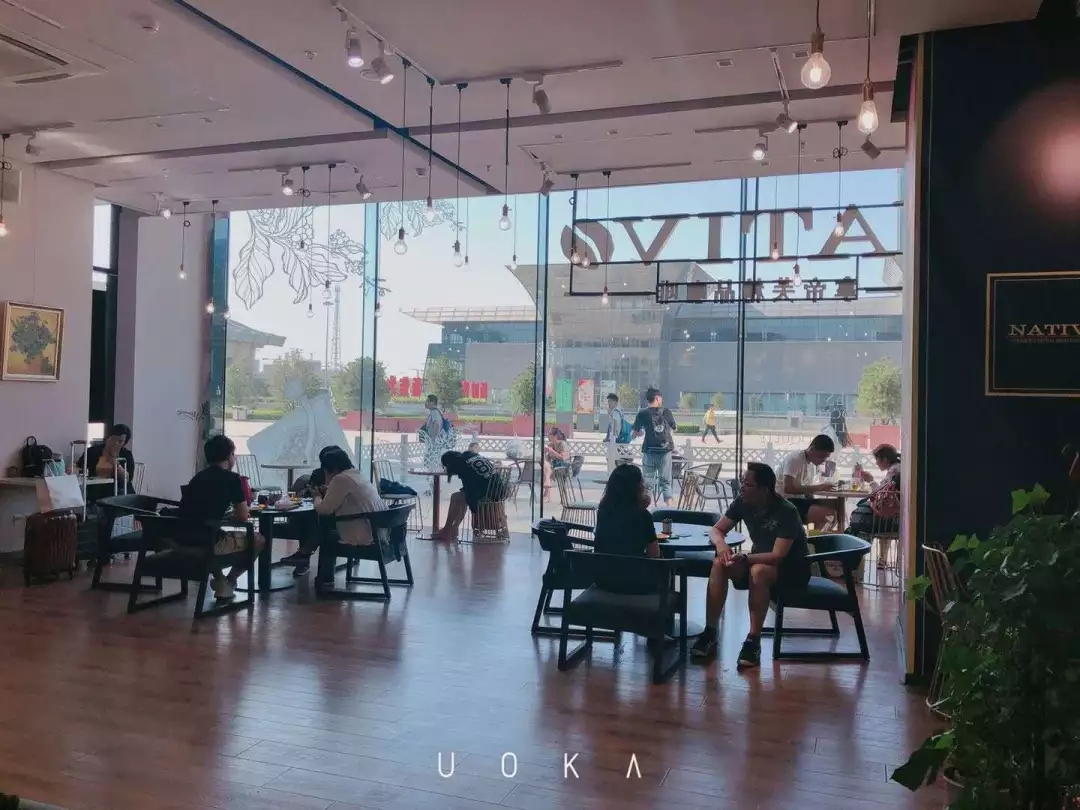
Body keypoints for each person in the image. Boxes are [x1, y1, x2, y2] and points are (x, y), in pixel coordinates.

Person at [691, 462, 810, 669]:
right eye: (742, 482)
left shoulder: (786, 511)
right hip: (757, 561)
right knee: (720, 563)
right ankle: (710, 632)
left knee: (759, 571)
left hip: (792, 570)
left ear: (764, 489)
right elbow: (717, 530)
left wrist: (745, 558)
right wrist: (721, 545)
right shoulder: (743, 501)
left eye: (747, 484)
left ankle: (753, 640)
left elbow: (777, 556)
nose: (742, 488)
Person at [178, 435, 266, 600]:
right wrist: (232, 516)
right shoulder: (232, 479)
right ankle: (230, 580)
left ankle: (220, 581)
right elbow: (243, 517)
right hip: (209, 541)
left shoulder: (198, 477)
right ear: (229, 456)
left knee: (215, 532)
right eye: (234, 454)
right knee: (258, 540)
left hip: (182, 537)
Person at [592, 464, 660, 593]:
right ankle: (662, 603)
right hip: (635, 583)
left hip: (604, 581)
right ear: (638, 487)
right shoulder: (643, 516)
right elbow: (654, 554)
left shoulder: (604, 512)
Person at [278, 445, 343, 575]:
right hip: (319, 510)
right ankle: (303, 558)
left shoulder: (343, 478)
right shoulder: (318, 474)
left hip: (339, 517)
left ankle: (303, 556)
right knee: (308, 519)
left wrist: (322, 494)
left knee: (317, 522)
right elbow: (309, 493)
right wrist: (312, 493)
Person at [313, 448, 388, 549]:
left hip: (363, 537)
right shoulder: (357, 474)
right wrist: (330, 490)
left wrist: (317, 496)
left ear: (333, 469)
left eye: (325, 471)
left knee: (321, 531)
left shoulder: (340, 479)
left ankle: (304, 553)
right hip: (378, 533)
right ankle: (304, 553)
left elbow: (324, 510)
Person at [432, 450, 504, 542]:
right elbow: (472, 486)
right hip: (498, 490)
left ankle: (447, 529)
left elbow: (470, 491)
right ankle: (453, 529)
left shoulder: (463, 465)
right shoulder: (471, 456)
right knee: (461, 497)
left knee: (456, 497)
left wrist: (473, 507)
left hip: (489, 494)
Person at [847, 444, 902, 567]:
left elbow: (881, 496)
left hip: (892, 520)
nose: (876, 463)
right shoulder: (898, 468)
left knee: (859, 524)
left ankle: (854, 562)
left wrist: (871, 480)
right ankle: (879, 560)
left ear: (885, 459)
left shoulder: (894, 471)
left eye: (877, 460)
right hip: (895, 517)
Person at [777, 434, 838, 528]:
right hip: (785, 502)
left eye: (826, 457)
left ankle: (817, 536)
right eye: (822, 456)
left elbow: (806, 490)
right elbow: (788, 488)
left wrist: (814, 498)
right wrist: (820, 487)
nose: (823, 461)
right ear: (812, 449)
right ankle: (816, 537)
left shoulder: (811, 464)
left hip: (799, 500)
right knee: (828, 514)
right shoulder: (795, 460)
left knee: (835, 507)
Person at [632, 387, 677, 507]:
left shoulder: (642, 413)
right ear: (657, 398)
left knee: (647, 484)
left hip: (649, 451)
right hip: (665, 451)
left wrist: (642, 432)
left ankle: (644, 510)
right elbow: (674, 427)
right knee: (666, 483)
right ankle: (670, 508)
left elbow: (636, 432)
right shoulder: (666, 412)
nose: (662, 400)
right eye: (661, 398)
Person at [78, 424, 136, 494]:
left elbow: (129, 478)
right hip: (97, 490)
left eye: (120, 441)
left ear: (124, 443)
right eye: (113, 439)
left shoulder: (126, 454)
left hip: (120, 491)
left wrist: (117, 466)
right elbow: (79, 466)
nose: (116, 443)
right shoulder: (92, 451)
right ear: (108, 438)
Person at [603, 393, 633, 472]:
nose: (609, 403)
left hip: (615, 438)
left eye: (610, 401)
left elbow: (615, 423)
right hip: (617, 438)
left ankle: (616, 472)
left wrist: (613, 435)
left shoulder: (616, 411)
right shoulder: (616, 411)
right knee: (615, 457)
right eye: (608, 401)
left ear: (615, 402)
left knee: (612, 457)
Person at [542, 427, 570, 502]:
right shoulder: (550, 444)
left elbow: (563, 458)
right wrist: (546, 453)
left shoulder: (562, 444)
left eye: (550, 434)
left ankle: (546, 494)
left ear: (555, 436)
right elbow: (547, 459)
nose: (548, 435)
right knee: (545, 466)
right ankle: (547, 494)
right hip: (554, 466)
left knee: (547, 471)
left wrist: (552, 451)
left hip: (563, 466)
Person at [420, 394, 446, 470]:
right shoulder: (434, 412)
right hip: (434, 443)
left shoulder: (434, 412)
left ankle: (432, 476)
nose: (425, 403)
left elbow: (437, 424)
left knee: (430, 463)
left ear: (433, 402)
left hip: (433, 444)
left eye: (427, 401)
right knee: (432, 463)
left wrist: (433, 439)